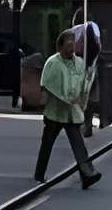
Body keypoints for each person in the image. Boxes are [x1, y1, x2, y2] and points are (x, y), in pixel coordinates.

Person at [35, 28, 101, 190]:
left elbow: (83, 81)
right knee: (47, 143)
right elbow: (47, 84)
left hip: (72, 112)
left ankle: (87, 174)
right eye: (69, 44)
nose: (72, 47)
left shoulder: (79, 62)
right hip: (55, 111)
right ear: (61, 46)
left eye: (74, 44)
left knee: (78, 145)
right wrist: (43, 100)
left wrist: (84, 95)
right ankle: (39, 174)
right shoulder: (53, 62)